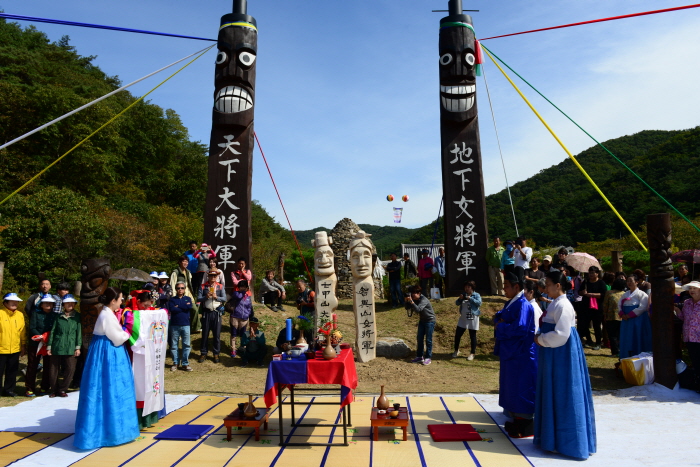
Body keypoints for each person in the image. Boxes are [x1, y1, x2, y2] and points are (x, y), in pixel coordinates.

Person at [534, 270, 596, 459]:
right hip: (554, 353)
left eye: (549, 284)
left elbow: (561, 334)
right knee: (555, 391)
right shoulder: (555, 303)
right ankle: (552, 439)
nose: (546, 288)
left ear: (558, 285)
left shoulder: (564, 305)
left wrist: (541, 339)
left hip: (561, 354)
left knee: (564, 391)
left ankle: (568, 443)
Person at [74, 287, 140, 450]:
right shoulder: (107, 315)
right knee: (112, 390)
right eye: (120, 298)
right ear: (113, 300)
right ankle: (111, 432)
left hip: (105, 351)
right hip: (108, 353)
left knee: (104, 390)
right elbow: (118, 338)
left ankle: (110, 431)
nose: (121, 301)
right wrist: (128, 329)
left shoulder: (106, 313)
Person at [493, 267, 537, 438]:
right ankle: (515, 419)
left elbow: (520, 328)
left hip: (521, 354)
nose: (504, 288)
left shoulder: (523, 304)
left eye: (506, 285)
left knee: (521, 387)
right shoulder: (513, 302)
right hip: (512, 353)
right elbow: (501, 315)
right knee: (510, 385)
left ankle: (524, 423)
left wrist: (501, 325)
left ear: (516, 287)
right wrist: (499, 319)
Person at [46, 294, 81, 397]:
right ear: (63, 304)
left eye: (71, 303)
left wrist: (78, 347)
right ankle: (54, 389)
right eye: (67, 303)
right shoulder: (58, 316)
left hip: (71, 345)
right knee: (53, 369)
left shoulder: (78, 316)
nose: (69, 304)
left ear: (74, 304)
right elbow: (53, 332)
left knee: (70, 368)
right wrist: (49, 346)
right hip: (57, 344)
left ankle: (63, 389)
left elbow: (79, 332)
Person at [25, 294, 57, 397]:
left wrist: (48, 338)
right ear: (41, 304)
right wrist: (41, 337)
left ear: (53, 305)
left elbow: (56, 329)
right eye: (46, 303)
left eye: (50, 303)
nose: (48, 304)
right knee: (32, 366)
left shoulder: (55, 315)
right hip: (36, 343)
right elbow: (32, 328)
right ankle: (30, 388)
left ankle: (44, 387)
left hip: (49, 344)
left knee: (48, 366)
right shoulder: (35, 314)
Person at [618, 274, 652, 359]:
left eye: (631, 281)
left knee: (637, 338)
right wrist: (622, 313)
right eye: (628, 281)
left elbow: (643, 307)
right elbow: (619, 304)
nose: (629, 283)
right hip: (626, 320)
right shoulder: (625, 294)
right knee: (626, 338)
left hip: (638, 320)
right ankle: (625, 358)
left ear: (636, 282)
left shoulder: (642, 294)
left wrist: (630, 315)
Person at [197, 269, 226, 363]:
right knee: (205, 334)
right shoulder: (203, 286)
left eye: (214, 276)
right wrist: (206, 297)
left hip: (217, 313)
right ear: (208, 276)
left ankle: (216, 353)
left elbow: (224, 298)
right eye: (211, 276)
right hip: (206, 312)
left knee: (216, 335)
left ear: (217, 276)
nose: (213, 277)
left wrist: (216, 297)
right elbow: (198, 298)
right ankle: (203, 353)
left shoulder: (220, 286)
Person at [0, 293, 26, 397]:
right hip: (1, 348)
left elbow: (22, 332)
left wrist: (23, 345)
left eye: (16, 302)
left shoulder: (19, 315)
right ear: (5, 302)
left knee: (12, 371)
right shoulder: (0, 313)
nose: (15, 303)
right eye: (12, 301)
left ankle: (9, 390)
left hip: (15, 348)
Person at [677, 281, 700, 392]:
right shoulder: (687, 303)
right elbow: (683, 318)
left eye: (694, 288)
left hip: (699, 337)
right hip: (689, 337)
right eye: (690, 288)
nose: (692, 290)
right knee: (695, 362)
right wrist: (677, 310)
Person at [405, 285, 436, 365]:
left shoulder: (424, 299)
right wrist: (407, 301)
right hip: (422, 321)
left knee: (428, 340)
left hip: (430, 321)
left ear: (419, 293)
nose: (412, 295)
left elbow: (418, 310)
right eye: (411, 294)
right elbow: (407, 308)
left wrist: (411, 301)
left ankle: (428, 357)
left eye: (413, 294)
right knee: (419, 339)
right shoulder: (415, 299)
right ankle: (419, 356)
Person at [167, 282, 194, 371]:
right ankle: (175, 363)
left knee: (186, 345)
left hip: (186, 325)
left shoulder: (188, 298)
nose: (180, 290)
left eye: (182, 288)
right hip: (174, 325)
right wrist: (183, 307)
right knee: (174, 345)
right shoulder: (172, 299)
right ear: (176, 289)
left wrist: (178, 306)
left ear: (184, 289)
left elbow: (189, 306)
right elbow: (172, 309)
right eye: (178, 288)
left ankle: (185, 363)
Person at [578, 266, 607, 350]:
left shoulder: (601, 283)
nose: (591, 274)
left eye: (593, 273)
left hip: (597, 307)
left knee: (596, 325)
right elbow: (579, 292)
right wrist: (582, 292)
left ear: (597, 273)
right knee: (585, 324)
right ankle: (589, 340)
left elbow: (603, 294)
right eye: (590, 273)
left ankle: (598, 342)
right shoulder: (585, 282)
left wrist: (591, 294)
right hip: (586, 306)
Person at [170, 255, 200, 333]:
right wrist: (174, 297)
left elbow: (189, 284)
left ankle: (194, 327)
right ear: (180, 262)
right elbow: (172, 285)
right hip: (179, 295)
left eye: (186, 261)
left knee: (194, 309)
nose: (185, 263)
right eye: (183, 261)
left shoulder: (188, 272)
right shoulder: (175, 272)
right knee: (180, 311)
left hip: (188, 294)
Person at [453, 281, 481, 360]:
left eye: (468, 287)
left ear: (472, 288)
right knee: (458, 334)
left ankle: (472, 353)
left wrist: (470, 298)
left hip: (473, 317)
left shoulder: (476, 295)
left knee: (472, 336)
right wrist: (460, 299)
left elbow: (479, 303)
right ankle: (456, 350)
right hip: (463, 318)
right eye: (465, 287)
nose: (466, 289)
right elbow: (457, 303)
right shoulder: (463, 294)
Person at [226, 279, 252, 358]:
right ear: (238, 287)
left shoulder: (248, 297)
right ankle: (233, 349)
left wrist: (248, 314)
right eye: (241, 286)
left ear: (247, 287)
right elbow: (239, 297)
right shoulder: (236, 294)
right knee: (234, 334)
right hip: (235, 317)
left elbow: (249, 307)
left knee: (243, 335)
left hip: (244, 318)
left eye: (244, 287)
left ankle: (242, 349)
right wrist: (243, 292)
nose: (243, 288)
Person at [602, 278, 626, 356]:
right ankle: (621, 350)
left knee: (612, 335)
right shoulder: (624, 294)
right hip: (622, 317)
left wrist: (605, 314)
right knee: (620, 335)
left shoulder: (609, 293)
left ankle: (614, 352)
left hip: (610, 316)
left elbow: (605, 305)